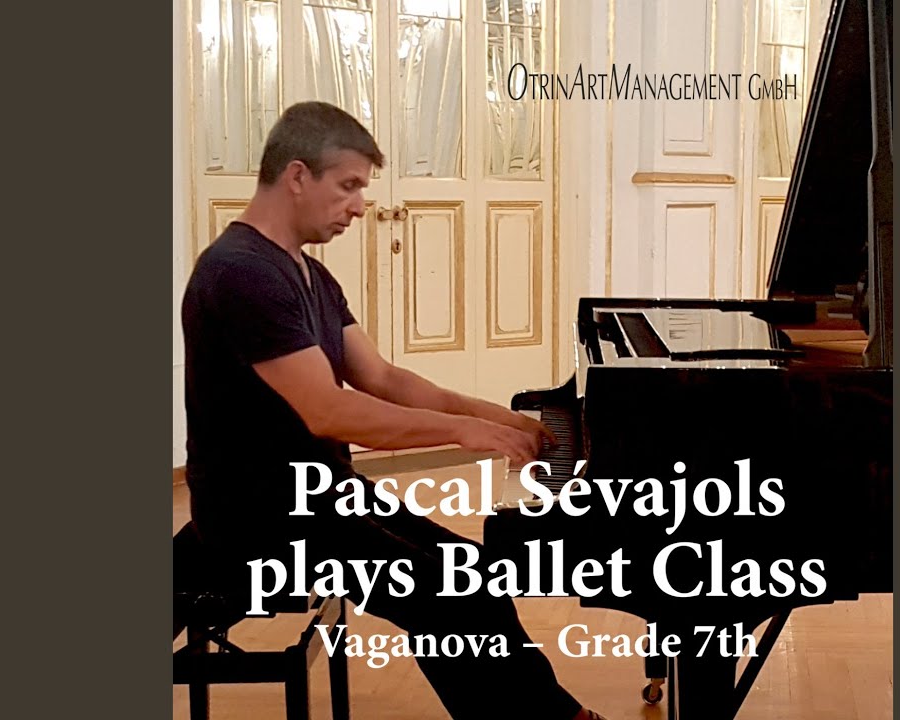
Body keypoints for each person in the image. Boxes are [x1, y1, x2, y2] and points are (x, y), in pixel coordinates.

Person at [181, 101, 607, 720]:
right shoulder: (242, 274)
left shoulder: (305, 273)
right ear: (297, 175)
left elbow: (382, 378)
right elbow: (329, 412)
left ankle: (554, 716)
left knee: (473, 577)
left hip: (316, 498)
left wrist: (502, 418)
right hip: (261, 520)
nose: (360, 206)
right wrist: (465, 431)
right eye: (348, 185)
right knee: (450, 595)